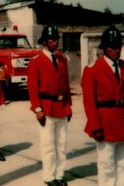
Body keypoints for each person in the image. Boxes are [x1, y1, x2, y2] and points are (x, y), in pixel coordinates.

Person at [27, 25, 72, 186]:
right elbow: (32, 88)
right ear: (45, 41)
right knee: (48, 145)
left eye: (57, 39)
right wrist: (38, 109)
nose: (55, 42)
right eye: (52, 39)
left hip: (62, 107)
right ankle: (49, 176)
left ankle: (59, 174)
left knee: (61, 144)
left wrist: (69, 105)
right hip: (46, 108)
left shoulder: (61, 60)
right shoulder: (36, 61)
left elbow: (66, 84)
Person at [82, 25, 124, 186]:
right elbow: (89, 102)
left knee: (122, 163)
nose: (117, 50)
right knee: (106, 163)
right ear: (105, 48)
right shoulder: (92, 70)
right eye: (113, 47)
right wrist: (95, 126)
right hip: (104, 123)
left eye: (118, 46)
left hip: (122, 121)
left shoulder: (123, 66)